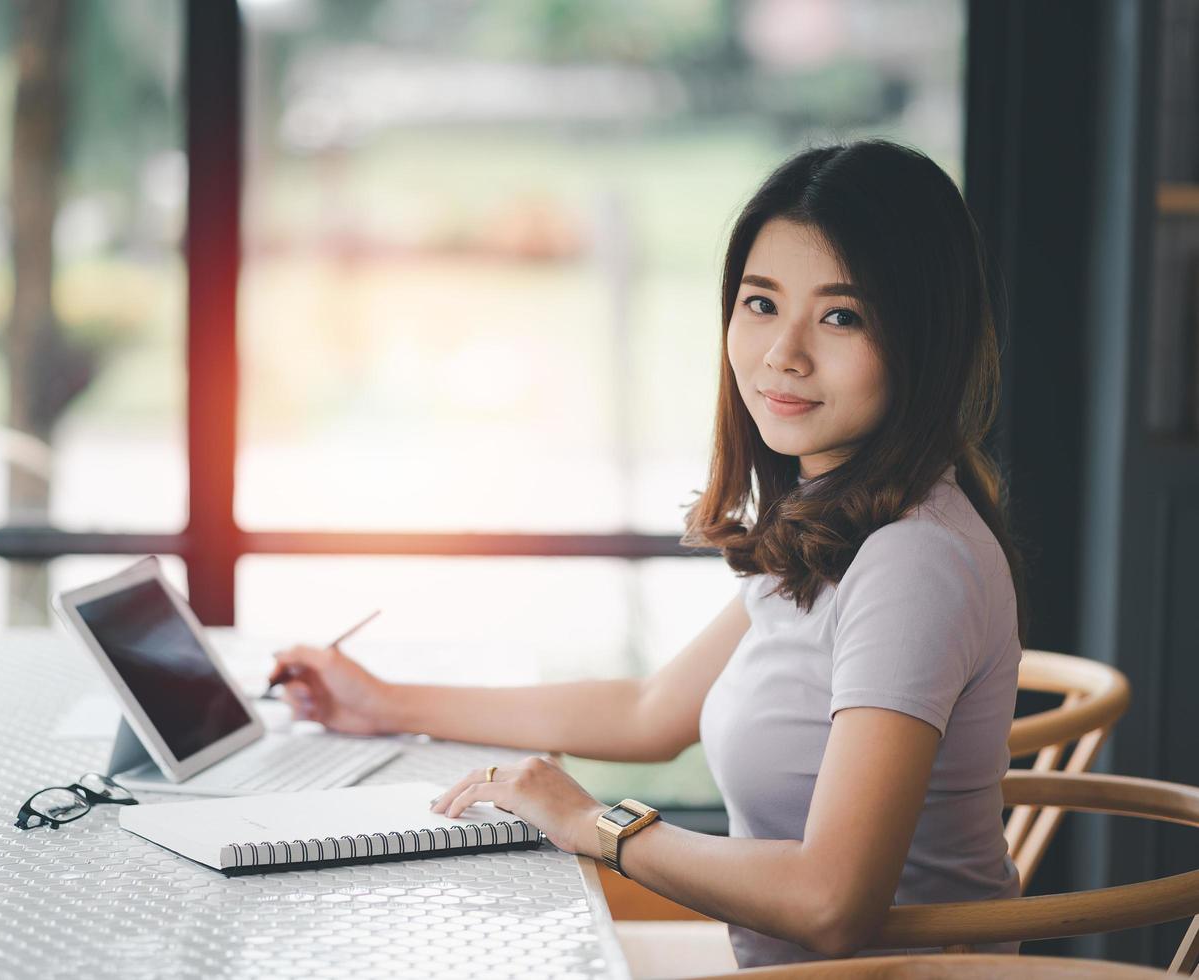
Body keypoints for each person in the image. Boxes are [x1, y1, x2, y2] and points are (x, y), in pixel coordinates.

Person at [266, 138, 1028, 967]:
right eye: (761, 303)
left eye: (842, 316)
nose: (783, 353)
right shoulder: (839, 522)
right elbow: (649, 710)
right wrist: (381, 703)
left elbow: (830, 903)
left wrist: (594, 824)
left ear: (925, 339)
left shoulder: (913, 560)